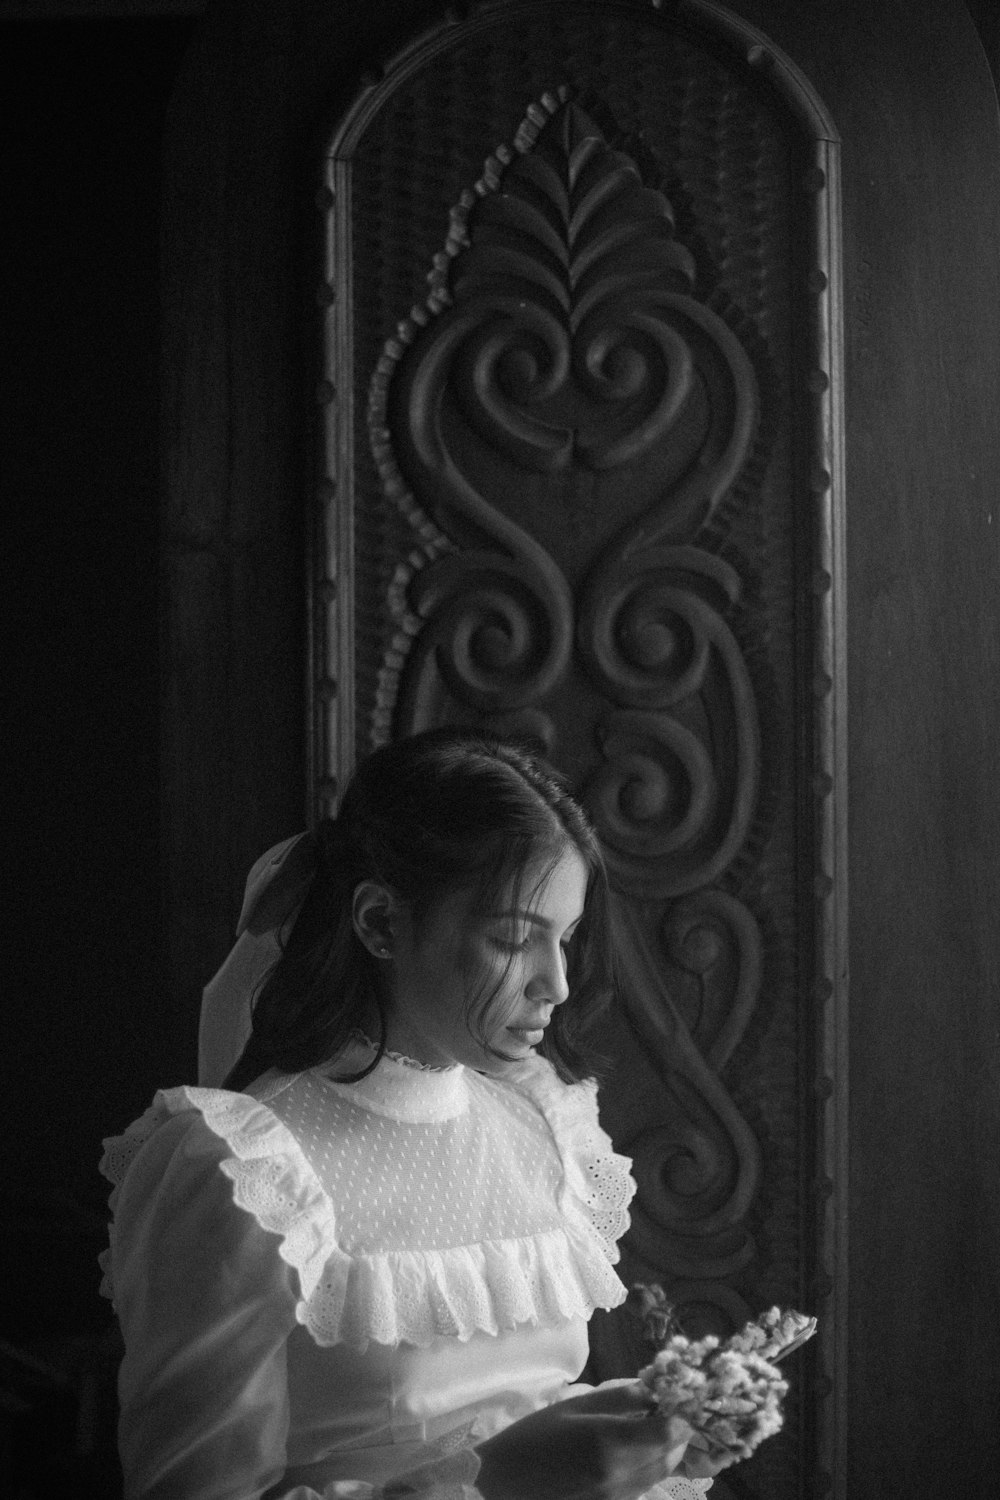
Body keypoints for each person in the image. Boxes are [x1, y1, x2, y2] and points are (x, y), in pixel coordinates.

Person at [99, 729, 734, 1500]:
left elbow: (522, 1414)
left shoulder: (542, 1125)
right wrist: (495, 1483)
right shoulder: (243, 1171)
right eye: (512, 940)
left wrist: (628, 1443)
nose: (557, 985)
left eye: (565, 940)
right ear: (379, 922)